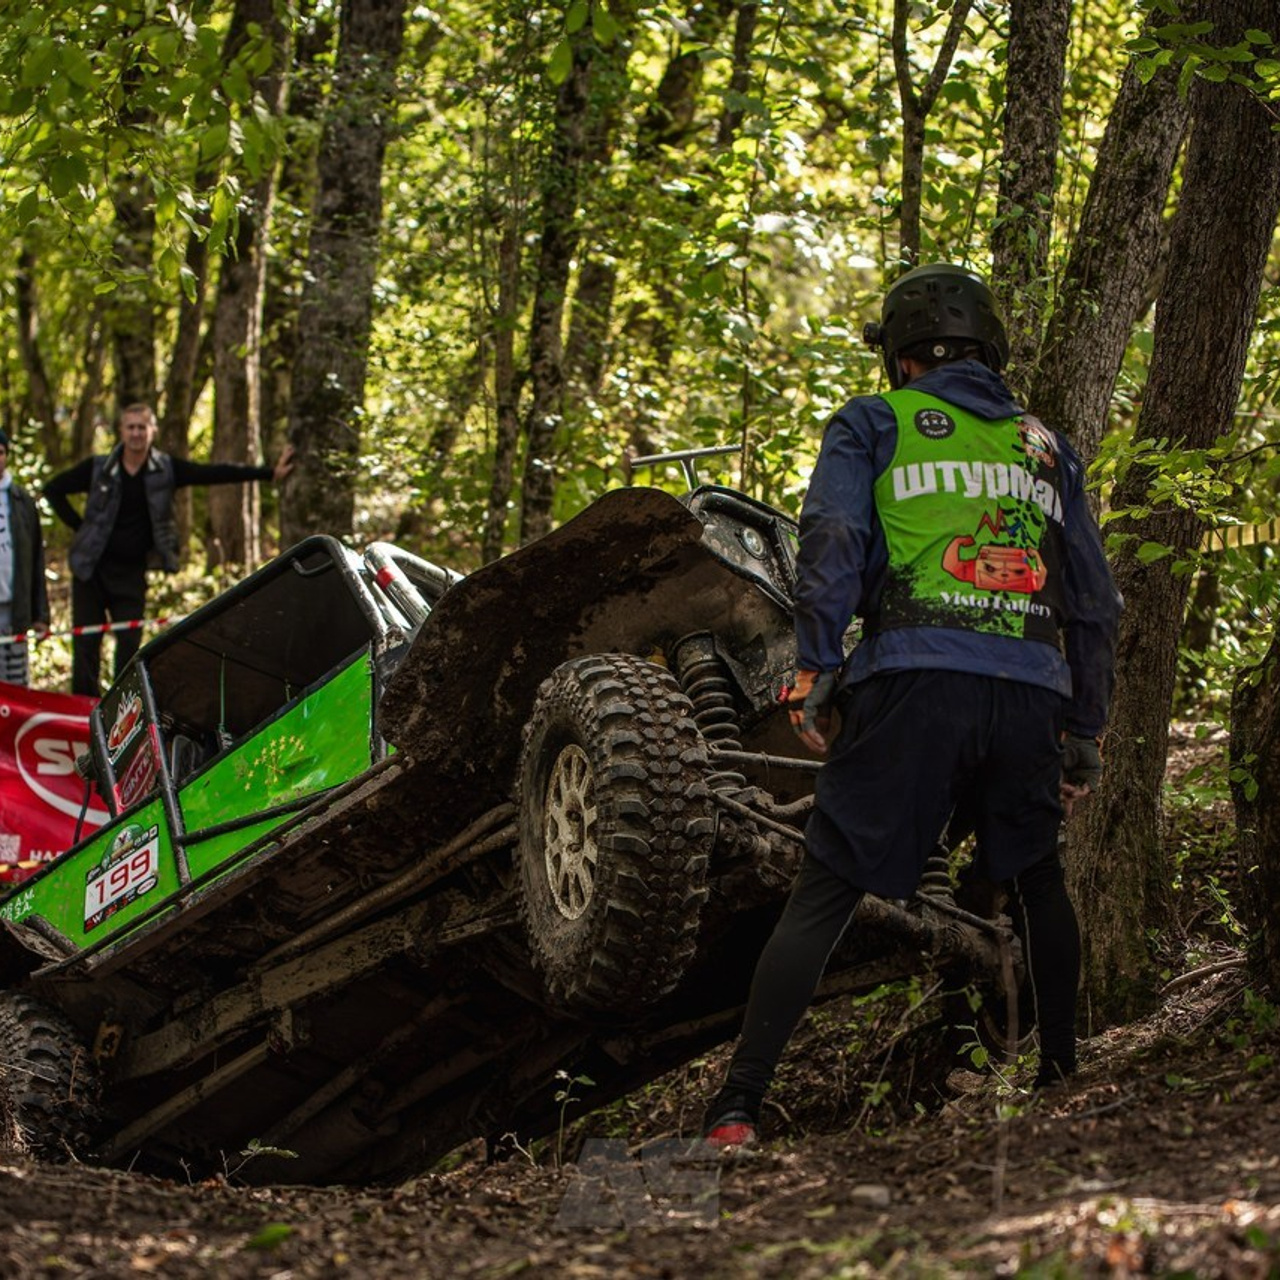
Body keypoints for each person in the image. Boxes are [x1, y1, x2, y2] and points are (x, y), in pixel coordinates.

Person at [701, 263, 1122, 1149]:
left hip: (913, 675)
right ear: (991, 349)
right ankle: (1061, 1077)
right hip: (1030, 689)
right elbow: (1094, 602)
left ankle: (737, 1108)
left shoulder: (874, 422)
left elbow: (835, 537)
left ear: (898, 357)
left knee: (826, 888)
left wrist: (816, 664)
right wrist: (1085, 726)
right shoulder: (1047, 448)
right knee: (1037, 876)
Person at [44, 403, 295, 697]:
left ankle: (120, 710)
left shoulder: (165, 469)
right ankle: (82, 710)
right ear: (121, 431)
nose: (136, 433)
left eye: (142, 427)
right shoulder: (100, 468)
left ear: (152, 431)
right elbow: (54, 489)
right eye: (130, 427)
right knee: (86, 645)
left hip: (131, 574)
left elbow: (212, 473)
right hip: (91, 570)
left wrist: (270, 473)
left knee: (128, 645)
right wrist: (82, 527)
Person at [0, 430, 51, 686]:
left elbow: (36, 560)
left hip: (15, 610)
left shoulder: (22, 501)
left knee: (16, 686)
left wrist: (41, 614)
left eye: (0, 452)